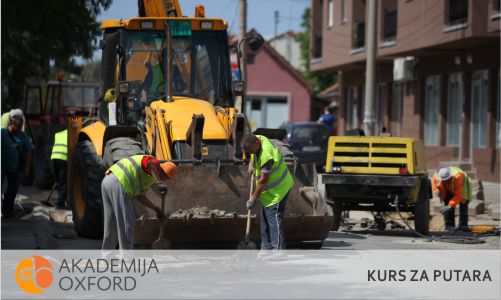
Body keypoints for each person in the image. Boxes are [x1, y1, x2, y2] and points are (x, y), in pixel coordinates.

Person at [101, 155, 177, 250]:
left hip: (107, 182)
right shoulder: (155, 164)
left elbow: (140, 196)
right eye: (167, 178)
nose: (166, 180)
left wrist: (156, 209)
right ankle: (127, 259)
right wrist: (159, 183)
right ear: (163, 172)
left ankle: (105, 258)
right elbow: (150, 163)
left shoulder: (149, 177)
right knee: (127, 225)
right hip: (120, 182)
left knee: (111, 225)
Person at [242, 134, 294, 251]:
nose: (250, 153)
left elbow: (263, 181)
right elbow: (251, 150)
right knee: (264, 219)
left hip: (278, 190)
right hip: (269, 193)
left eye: (251, 151)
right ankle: (266, 248)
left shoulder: (266, 155)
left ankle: (278, 251)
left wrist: (253, 199)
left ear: (257, 144)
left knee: (274, 219)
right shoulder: (257, 138)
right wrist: (251, 162)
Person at [1, 109, 33, 218]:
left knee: (13, 188)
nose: (19, 128)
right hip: (2, 167)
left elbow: (29, 151)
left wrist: (27, 167)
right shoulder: (2, 134)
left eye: (21, 125)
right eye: (18, 125)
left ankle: (7, 211)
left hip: (15, 167)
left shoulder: (22, 136)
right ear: (12, 122)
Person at [432, 166, 473, 231]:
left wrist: (450, 205)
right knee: (447, 203)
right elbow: (435, 187)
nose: (445, 181)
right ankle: (449, 227)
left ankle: (463, 226)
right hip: (450, 186)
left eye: (447, 180)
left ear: (450, 177)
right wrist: (437, 191)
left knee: (463, 203)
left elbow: (458, 195)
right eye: (444, 180)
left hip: (464, 185)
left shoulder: (458, 176)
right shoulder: (436, 176)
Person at [51, 129, 68, 209]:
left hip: (54, 157)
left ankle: (61, 200)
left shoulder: (59, 133)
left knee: (59, 181)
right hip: (63, 158)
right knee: (64, 182)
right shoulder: (72, 134)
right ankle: (59, 203)